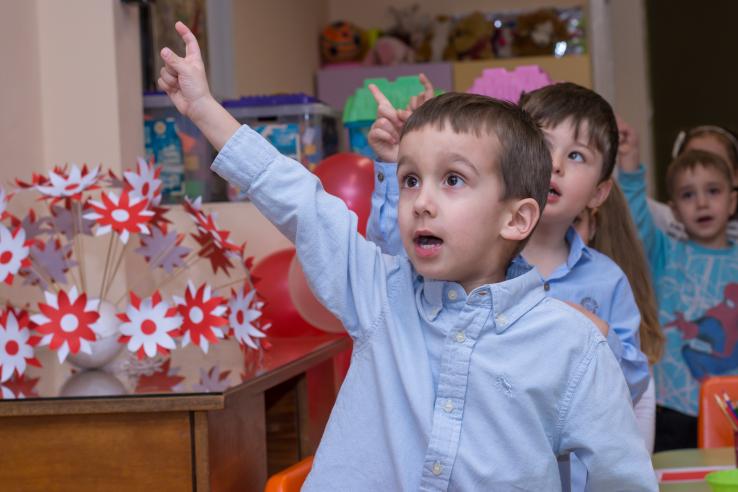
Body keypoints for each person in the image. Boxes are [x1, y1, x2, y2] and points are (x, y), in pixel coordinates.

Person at [158, 22, 656, 490]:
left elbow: (622, 476)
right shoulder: (379, 293)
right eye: (410, 179)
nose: (421, 200)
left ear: (516, 219)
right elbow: (299, 201)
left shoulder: (571, 345)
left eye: (453, 180)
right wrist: (203, 108)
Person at [367, 81, 651, 489]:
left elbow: (631, 383)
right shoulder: (468, 255)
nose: (554, 165)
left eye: (576, 155)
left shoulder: (607, 280)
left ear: (600, 191)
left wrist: (596, 333)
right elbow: (395, 258)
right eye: (542, 143)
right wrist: (401, 163)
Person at [617, 119, 738, 451]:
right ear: (674, 210)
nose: (701, 203)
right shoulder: (663, 252)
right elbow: (636, 217)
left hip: (732, 402)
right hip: (672, 405)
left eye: (713, 191)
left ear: (732, 201)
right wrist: (629, 167)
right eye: (688, 194)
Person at [573, 182, 665, 453]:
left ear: (594, 226)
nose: (560, 235)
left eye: (575, 221)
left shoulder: (612, 284)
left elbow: (635, 455)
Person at [641, 124, 738, 241]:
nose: (702, 203)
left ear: (735, 176)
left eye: (715, 163)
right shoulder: (666, 229)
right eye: (692, 160)